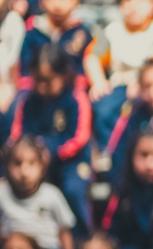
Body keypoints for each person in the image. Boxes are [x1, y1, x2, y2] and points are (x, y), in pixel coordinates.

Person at [86, 0, 153, 146]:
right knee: (103, 109)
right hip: (120, 85)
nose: (134, 5)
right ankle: (109, 151)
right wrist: (98, 81)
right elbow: (92, 56)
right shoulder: (113, 31)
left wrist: (145, 84)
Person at [10, 45, 94, 236]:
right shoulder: (28, 101)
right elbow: (18, 135)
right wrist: (33, 158)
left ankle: (82, 242)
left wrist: (51, 154)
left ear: (63, 75)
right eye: (37, 80)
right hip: (35, 161)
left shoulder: (76, 98)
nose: (41, 86)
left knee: (73, 190)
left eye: (47, 81)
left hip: (71, 161)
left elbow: (79, 138)